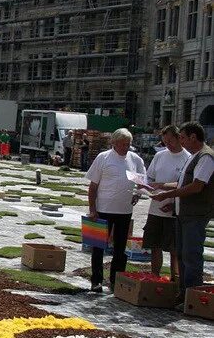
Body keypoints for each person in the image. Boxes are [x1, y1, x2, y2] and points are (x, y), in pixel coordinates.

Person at [149, 122, 214, 307]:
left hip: (195, 214)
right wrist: (160, 186)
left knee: (191, 255)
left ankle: (192, 297)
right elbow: (180, 184)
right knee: (182, 254)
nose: (181, 141)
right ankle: (183, 293)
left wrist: (167, 195)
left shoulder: (206, 157)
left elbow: (196, 186)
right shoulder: (193, 156)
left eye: (183, 137)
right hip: (182, 213)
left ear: (193, 137)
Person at [86, 128, 146, 293]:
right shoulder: (103, 158)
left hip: (124, 211)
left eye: (128, 144)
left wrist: (138, 194)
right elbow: (93, 186)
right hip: (103, 209)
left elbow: (142, 182)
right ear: (114, 143)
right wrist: (92, 209)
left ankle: (116, 280)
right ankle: (96, 280)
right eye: (122, 144)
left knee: (120, 249)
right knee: (98, 247)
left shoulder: (136, 159)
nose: (125, 147)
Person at [140, 125, 190, 280]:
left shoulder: (187, 158)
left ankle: (175, 279)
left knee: (174, 248)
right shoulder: (160, 156)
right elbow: (150, 178)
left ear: (178, 138)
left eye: (170, 140)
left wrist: (172, 200)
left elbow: (184, 185)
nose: (167, 144)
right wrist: (146, 187)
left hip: (174, 210)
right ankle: (155, 276)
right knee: (155, 245)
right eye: (165, 141)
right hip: (156, 208)